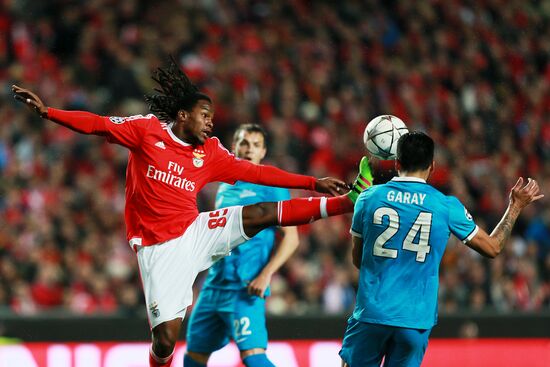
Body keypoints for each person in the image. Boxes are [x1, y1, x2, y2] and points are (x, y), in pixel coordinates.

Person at [12, 57, 373, 367]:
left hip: (195, 231)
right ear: (183, 115)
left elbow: (259, 173)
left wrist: (313, 182)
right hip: (159, 248)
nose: (210, 123)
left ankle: (346, 202)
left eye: (212, 117)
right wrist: (48, 113)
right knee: (166, 342)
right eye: (205, 115)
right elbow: (98, 123)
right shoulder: (146, 131)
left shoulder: (211, 153)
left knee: (260, 212)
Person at [340, 131, 543, 367]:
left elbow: (358, 259)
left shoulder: (368, 198)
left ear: (396, 164)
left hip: (371, 314)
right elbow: (493, 247)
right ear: (432, 166)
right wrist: (516, 206)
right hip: (414, 321)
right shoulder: (446, 206)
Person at [184, 123, 298, 367]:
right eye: (244, 143)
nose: (249, 149)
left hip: (245, 287)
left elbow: (291, 237)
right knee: (193, 356)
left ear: (263, 152)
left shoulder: (271, 186)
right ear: (234, 147)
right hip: (214, 285)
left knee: (253, 357)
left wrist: (266, 275)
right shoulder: (225, 185)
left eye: (256, 145)